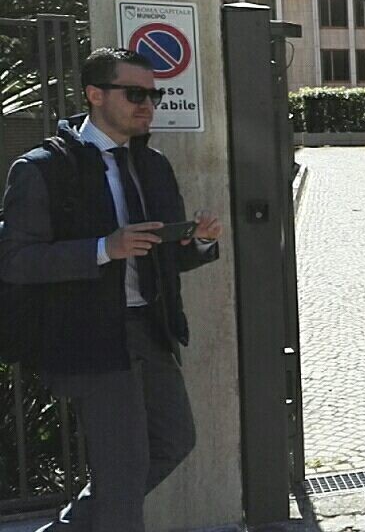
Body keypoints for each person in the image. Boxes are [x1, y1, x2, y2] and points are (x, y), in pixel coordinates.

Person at [0, 47, 222, 532]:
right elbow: (16, 261)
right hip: (90, 338)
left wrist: (199, 242)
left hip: (150, 331)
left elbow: (168, 256)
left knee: (174, 441)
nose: (148, 106)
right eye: (135, 94)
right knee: (123, 473)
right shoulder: (42, 169)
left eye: (153, 96)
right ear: (95, 95)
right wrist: (103, 248)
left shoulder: (153, 165)